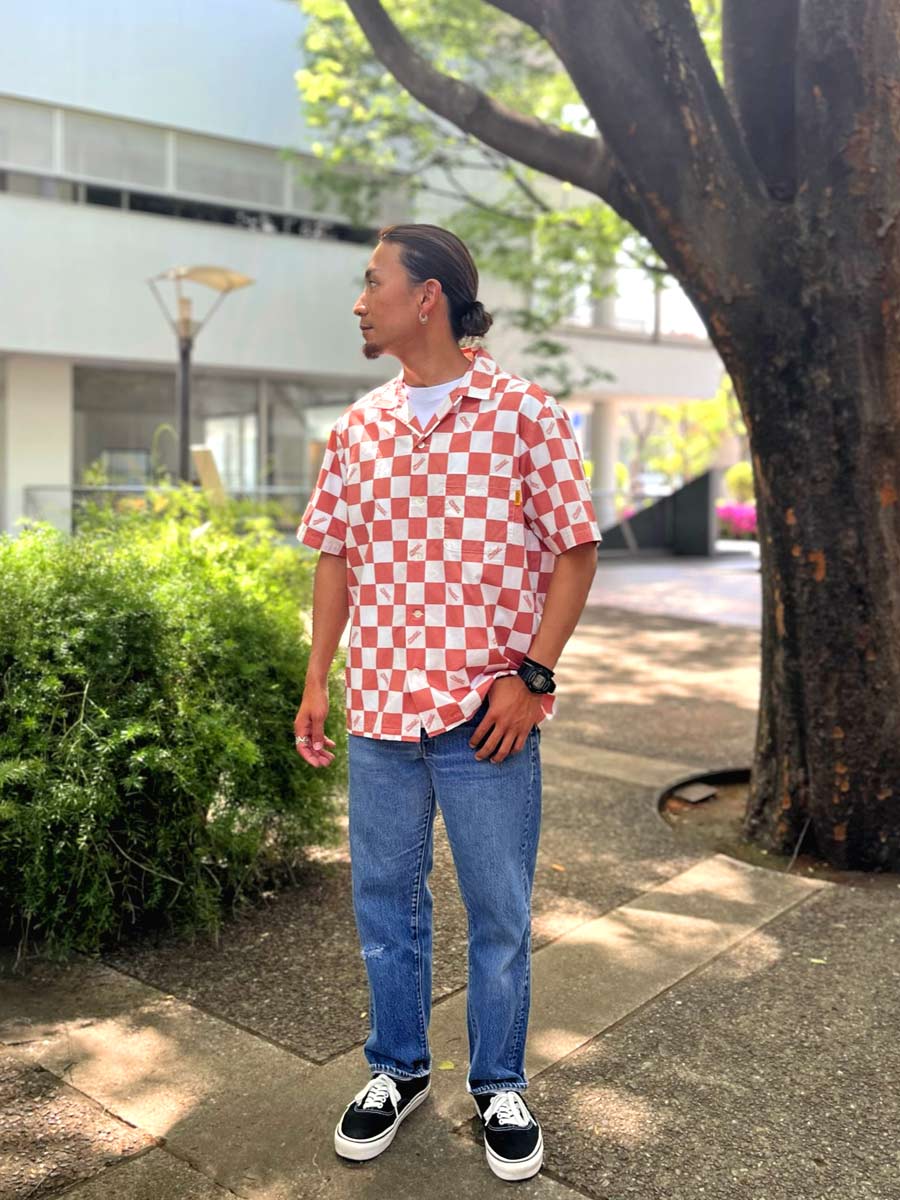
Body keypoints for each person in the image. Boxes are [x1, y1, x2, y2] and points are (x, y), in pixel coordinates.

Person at [293, 223, 602, 1182]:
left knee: (498, 912)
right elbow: (335, 557)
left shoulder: (523, 413)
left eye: (373, 282)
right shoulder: (358, 427)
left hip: (485, 719)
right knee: (384, 906)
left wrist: (533, 676)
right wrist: (318, 676)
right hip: (382, 712)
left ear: (427, 296)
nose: (359, 302)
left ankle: (499, 1082)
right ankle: (397, 1070)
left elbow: (577, 549)